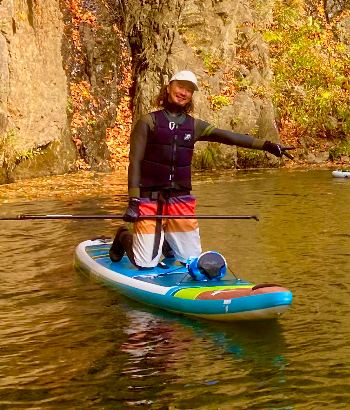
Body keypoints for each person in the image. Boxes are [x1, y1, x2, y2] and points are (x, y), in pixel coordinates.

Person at [111, 70, 293, 268]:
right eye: (180, 86)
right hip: (150, 198)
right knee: (144, 264)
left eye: (189, 90)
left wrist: (267, 145)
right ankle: (123, 237)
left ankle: (167, 240)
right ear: (169, 87)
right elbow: (135, 162)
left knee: (192, 261)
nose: (183, 92)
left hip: (180, 199)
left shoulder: (194, 126)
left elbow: (229, 137)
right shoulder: (148, 122)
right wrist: (134, 200)